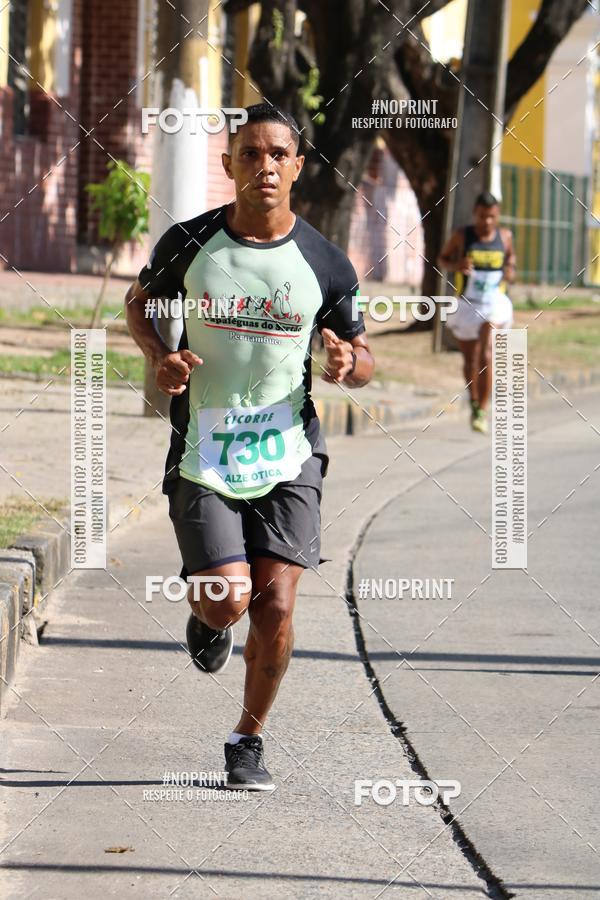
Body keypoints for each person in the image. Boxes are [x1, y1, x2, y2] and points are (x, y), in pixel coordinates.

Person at [125, 103, 374, 791]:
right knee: (226, 601)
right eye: (251, 153)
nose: (265, 166)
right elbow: (139, 302)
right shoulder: (189, 242)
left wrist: (347, 364)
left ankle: (247, 740)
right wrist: (160, 357)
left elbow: (362, 353)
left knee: (277, 607)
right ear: (229, 164)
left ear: (297, 167)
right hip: (204, 454)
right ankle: (209, 621)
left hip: (290, 454)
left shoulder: (325, 262)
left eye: (278, 155)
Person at [438, 191, 516, 433]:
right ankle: (473, 400)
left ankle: (482, 409)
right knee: (470, 359)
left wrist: (510, 271)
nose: (487, 221)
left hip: (494, 303)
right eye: (483, 216)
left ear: (498, 215)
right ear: (475, 214)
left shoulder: (505, 236)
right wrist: (457, 265)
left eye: (492, 216)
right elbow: (442, 259)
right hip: (467, 304)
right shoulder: (462, 235)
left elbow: (511, 261)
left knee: (486, 354)